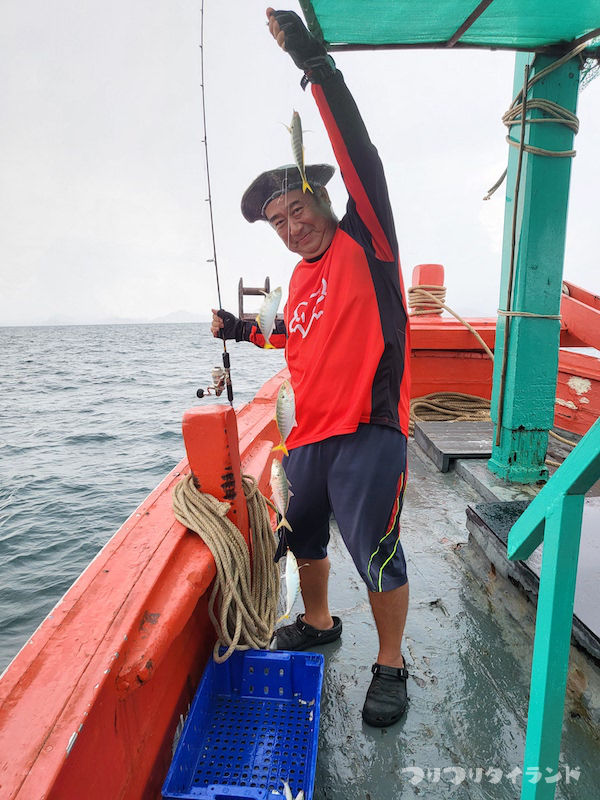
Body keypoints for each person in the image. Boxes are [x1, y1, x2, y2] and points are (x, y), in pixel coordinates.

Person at [211, 7, 411, 728]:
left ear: (322, 200)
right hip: (313, 439)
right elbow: (295, 335)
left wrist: (312, 60)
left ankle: (392, 665)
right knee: (306, 534)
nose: (292, 228)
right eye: (279, 223)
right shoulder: (299, 277)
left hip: (369, 430)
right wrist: (240, 329)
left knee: (378, 552)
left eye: (298, 210)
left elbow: (362, 152)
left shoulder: (369, 240)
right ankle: (320, 623)